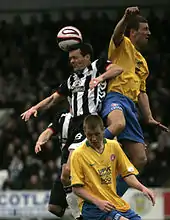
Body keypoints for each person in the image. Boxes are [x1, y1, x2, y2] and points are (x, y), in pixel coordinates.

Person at [21, 43, 123, 218]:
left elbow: (118, 69)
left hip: (88, 122)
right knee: (63, 182)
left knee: (67, 172)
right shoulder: (71, 80)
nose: (72, 61)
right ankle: (80, 214)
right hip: (74, 124)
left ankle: (82, 214)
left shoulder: (97, 66)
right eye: (70, 59)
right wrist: (34, 108)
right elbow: (53, 98)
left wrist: (100, 78)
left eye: (75, 57)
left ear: (87, 57)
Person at [95, 6, 169, 196]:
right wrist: (126, 18)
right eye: (145, 30)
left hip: (132, 106)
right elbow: (116, 33)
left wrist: (149, 117)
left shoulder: (142, 63)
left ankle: (110, 197)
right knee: (118, 124)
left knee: (140, 160)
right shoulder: (122, 45)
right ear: (133, 32)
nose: (149, 33)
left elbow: (142, 92)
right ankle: (87, 151)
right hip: (115, 97)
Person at [70, 115, 155, 220]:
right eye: (89, 135)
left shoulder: (114, 146)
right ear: (84, 131)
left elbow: (127, 174)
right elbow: (76, 189)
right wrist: (98, 202)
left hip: (114, 202)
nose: (93, 138)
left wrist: (142, 188)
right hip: (92, 207)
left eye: (97, 134)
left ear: (103, 130)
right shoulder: (78, 154)